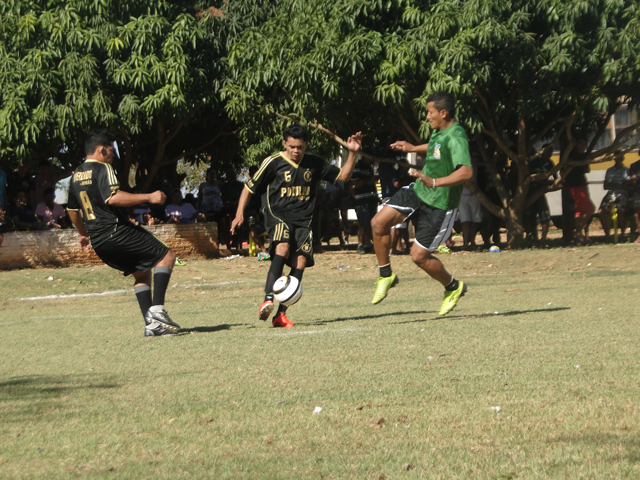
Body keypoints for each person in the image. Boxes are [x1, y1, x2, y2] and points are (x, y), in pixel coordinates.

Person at [231, 124, 362, 327]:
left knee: (300, 261)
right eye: (291, 146)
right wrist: (239, 213)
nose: (295, 151)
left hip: (303, 220)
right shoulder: (273, 162)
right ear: (285, 143)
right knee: (282, 248)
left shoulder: (314, 163)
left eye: (300, 147)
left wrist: (352, 153)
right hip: (278, 216)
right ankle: (267, 299)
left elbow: (343, 177)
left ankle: (280, 315)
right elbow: (249, 187)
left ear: (306, 145)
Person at [66, 129, 180, 337]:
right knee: (167, 256)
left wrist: (84, 234)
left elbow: (72, 211)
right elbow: (113, 198)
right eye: (111, 150)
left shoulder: (75, 176)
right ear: (102, 149)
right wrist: (149, 197)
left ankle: (152, 325)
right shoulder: (103, 168)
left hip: (100, 242)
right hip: (115, 231)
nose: (113, 155)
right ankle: (158, 312)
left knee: (142, 274)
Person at [371, 91, 472, 315]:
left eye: (430, 112)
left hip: (440, 204)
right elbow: (437, 149)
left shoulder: (456, 137)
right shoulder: (440, 130)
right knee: (378, 223)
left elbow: (466, 172)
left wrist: (435, 182)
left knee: (418, 257)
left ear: (443, 113)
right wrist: (412, 148)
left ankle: (453, 287)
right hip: (419, 190)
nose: (427, 116)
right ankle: (386, 275)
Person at [562, 137, 595, 245]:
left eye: (584, 144)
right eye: (581, 143)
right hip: (576, 186)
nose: (582, 146)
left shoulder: (583, 156)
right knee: (590, 209)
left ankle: (580, 237)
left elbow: (587, 169)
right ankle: (578, 232)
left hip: (581, 185)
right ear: (576, 144)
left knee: (578, 212)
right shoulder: (572, 155)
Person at [524, 144, 555, 246]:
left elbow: (555, 177)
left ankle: (543, 239)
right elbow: (529, 176)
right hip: (530, 193)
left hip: (540, 194)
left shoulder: (550, 164)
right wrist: (542, 182)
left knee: (545, 216)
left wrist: (549, 183)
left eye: (550, 151)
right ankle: (532, 238)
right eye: (546, 151)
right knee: (530, 217)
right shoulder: (534, 161)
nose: (548, 153)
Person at [598, 151, 630, 242]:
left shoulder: (626, 171)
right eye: (616, 157)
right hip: (611, 194)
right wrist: (619, 185)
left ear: (622, 158)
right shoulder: (609, 170)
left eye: (620, 157)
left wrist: (613, 184)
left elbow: (626, 186)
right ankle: (607, 235)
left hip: (622, 194)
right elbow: (606, 186)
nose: (618, 159)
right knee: (601, 212)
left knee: (620, 210)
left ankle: (622, 234)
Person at [350, 156, 379, 254]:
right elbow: (356, 183)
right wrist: (370, 180)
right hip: (362, 199)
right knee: (363, 223)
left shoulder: (369, 168)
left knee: (370, 223)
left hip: (371, 198)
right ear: (365, 157)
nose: (372, 160)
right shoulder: (357, 167)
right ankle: (360, 244)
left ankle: (368, 244)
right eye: (370, 158)